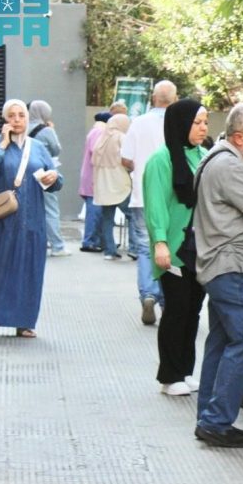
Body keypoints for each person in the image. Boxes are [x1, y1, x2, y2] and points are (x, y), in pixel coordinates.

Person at [191, 102, 243, 448]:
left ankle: (209, 417)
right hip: (235, 266)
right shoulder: (230, 166)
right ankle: (216, 421)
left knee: (223, 341)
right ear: (239, 138)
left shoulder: (216, 159)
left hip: (223, 266)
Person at [0, 99, 63, 338]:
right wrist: (3, 145)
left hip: (30, 221)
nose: (17, 120)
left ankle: (23, 322)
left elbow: (56, 180)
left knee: (27, 271)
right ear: (5, 119)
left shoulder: (38, 147)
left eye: (21, 115)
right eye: (12, 116)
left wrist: (54, 178)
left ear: (27, 118)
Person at [144, 99, 210, 397]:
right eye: (197, 123)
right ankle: (169, 375)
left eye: (205, 122)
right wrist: (160, 242)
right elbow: (155, 205)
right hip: (174, 246)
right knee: (176, 310)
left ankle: (185, 370)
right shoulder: (161, 160)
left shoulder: (205, 156)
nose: (203, 128)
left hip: (201, 247)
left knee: (193, 310)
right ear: (181, 124)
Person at [122, 80, 178, 325]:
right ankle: (167, 299)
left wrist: (139, 170)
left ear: (153, 98)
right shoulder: (178, 123)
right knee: (168, 246)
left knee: (146, 248)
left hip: (142, 195)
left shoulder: (139, 122)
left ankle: (148, 294)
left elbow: (125, 159)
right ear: (175, 99)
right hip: (171, 198)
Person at [79, 101, 128, 253]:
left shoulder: (98, 131)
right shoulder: (101, 132)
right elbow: (99, 153)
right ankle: (90, 241)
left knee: (101, 214)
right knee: (95, 212)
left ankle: (103, 242)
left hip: (94, 177)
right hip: (97, 178)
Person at [27, 100, 68, 257]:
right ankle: (57, 246)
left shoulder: (23, 127)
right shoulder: (46, 130)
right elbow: (56, 149)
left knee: (31, 208)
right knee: (51, 209)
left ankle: (38, 242)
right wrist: (51, 130)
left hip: (26, 172)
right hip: (44, 173)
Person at [91, 114, 132, 261]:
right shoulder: (121, 137)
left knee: (107, 218)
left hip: (103, 185)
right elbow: (128, 159)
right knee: (132, 216)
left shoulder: (101, 139)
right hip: (119, 182)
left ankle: (109, 250)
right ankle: (134, 248)